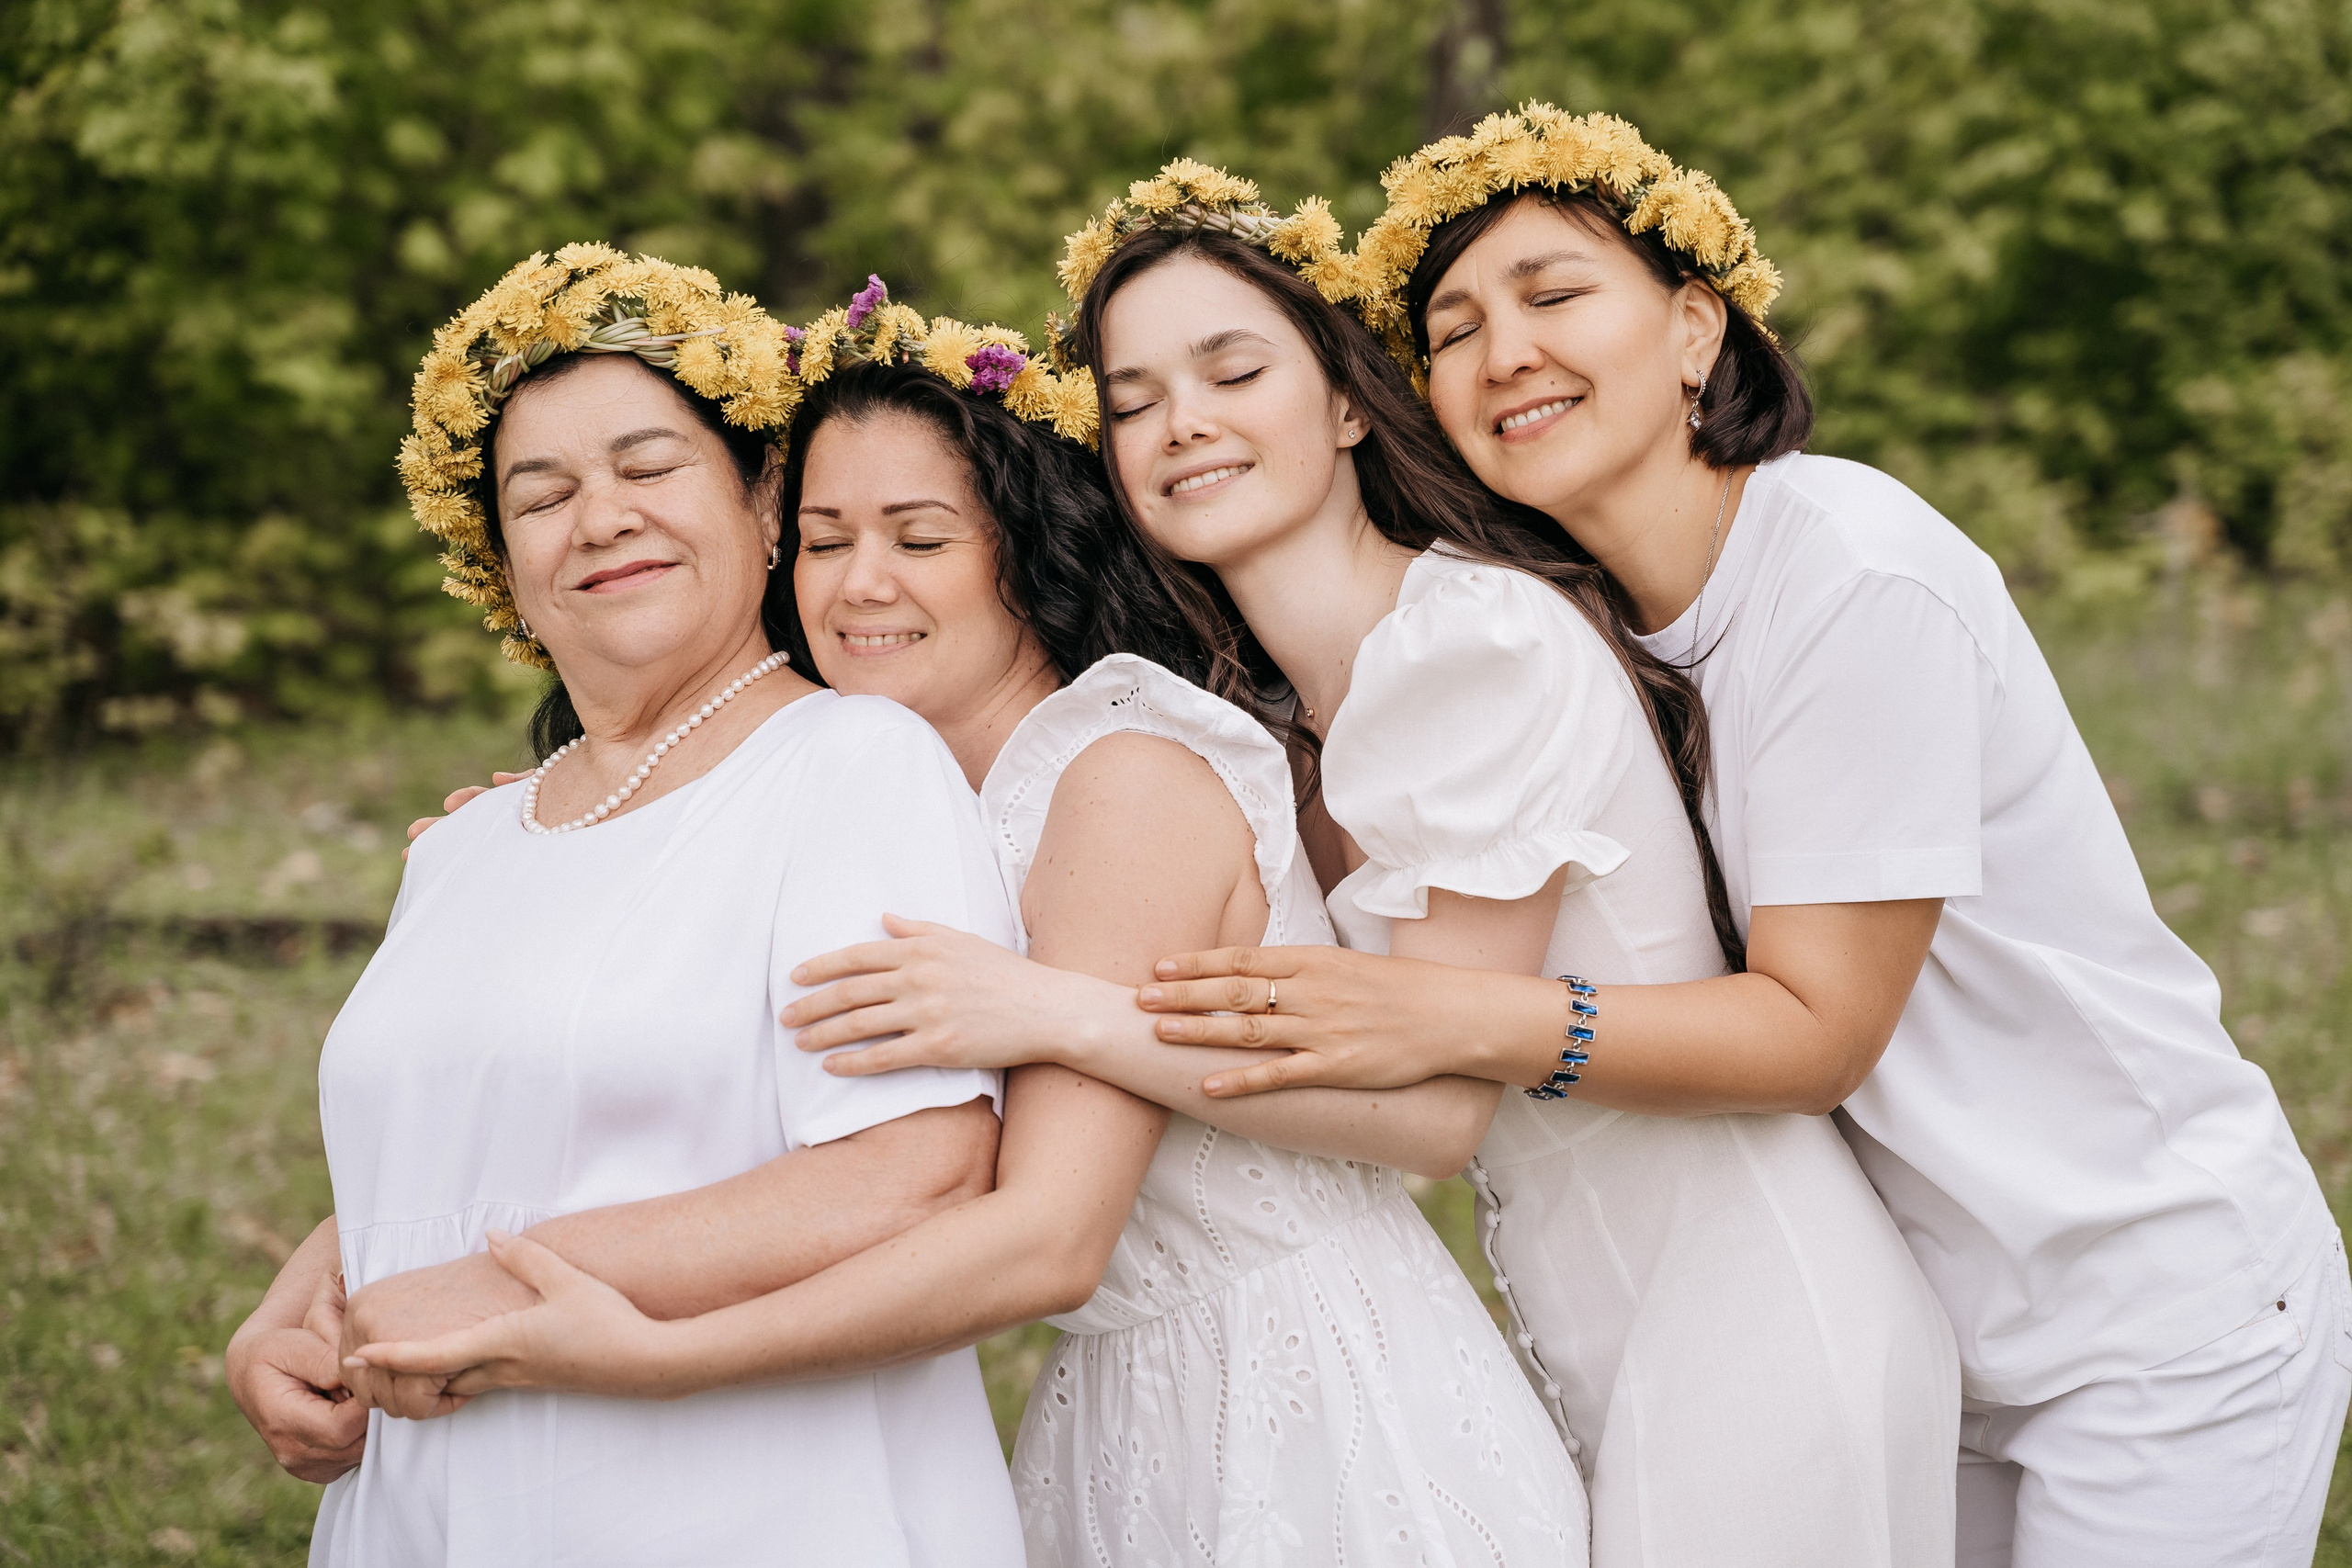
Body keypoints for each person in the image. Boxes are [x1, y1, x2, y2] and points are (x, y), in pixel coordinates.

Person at [1133, 108, 2352, 1567]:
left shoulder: (1851, 576)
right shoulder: (1575, 618)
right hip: (1920, 1306)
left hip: (2144, 1311)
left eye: (1555, 293)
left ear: (1697, 328)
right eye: (1452, 328)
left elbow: (1812, 1033)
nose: (1503, 350)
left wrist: (1440, 1014)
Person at [778, 164, 1961, 1566]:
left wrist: (1054, 1012)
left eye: (1231, 372)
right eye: (1138, 398)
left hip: (1751, 1309)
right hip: (1582, 1314)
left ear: (1345, 401)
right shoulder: (1274, 711)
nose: (1184, 424)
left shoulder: (1472, 645)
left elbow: (1436, 1116)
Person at [356, 286, 1589, 1566]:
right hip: (1119, 1394)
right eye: (827, 541)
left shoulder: (1118, 780)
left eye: (921, 537)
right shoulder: (905, 798)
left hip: (1308, 1408)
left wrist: (664, 1357)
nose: (861, 584)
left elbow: (1045, 1240)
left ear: (1026, 547)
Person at [224, 246, 1028, 1567]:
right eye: (542, 495)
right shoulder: (468, 843)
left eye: (648, 467)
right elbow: (471, 1138)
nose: (599, 517)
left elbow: (914, 1176)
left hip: (731, 1504)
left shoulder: (849, 763)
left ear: (767, 505)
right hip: (426, 1510)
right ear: (504, 565)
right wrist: (301, 1309)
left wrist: (493, 1283)